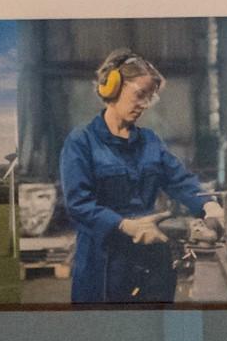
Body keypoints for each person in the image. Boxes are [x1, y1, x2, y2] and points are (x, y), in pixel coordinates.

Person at [58, 50, 210, 306]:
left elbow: (180, 181)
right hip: (103, 264)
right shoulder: (81, 141)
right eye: (140, 94)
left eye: (150, 98)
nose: (144, 105)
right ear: (112, 88)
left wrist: (211, 207)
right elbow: (78, 204)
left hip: (151, 261)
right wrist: (126, 225)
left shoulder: (150, 140)